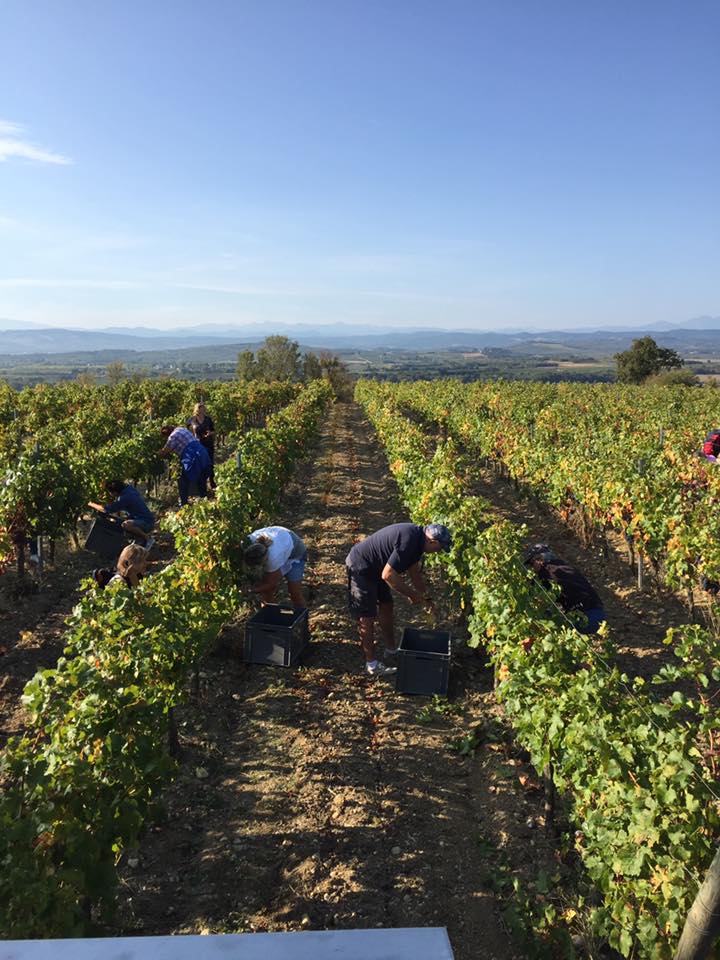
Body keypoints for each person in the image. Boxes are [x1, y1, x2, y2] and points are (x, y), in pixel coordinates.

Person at [345, 522, 453, 677]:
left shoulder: (418, 542)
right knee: (367, 617)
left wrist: (426, 598)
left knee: (387, 604)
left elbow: (414, 574)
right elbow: (388, 575)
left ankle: (391, 650)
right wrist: (411, 595)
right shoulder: (409, 540)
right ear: (433, 541)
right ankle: (372, 665)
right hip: (361, 566)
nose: (439, 552)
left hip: (377, 568)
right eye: (440, 548)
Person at [523, 543, 606, 635]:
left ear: (539, 560)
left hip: (585, 617)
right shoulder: (563, 566)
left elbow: (539, 591)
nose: (532, 568)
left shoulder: (548, 571)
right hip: (598, 613)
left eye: (531, 564)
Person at [243, 525, 307, 607]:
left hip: (295, 553)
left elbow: (271, 583)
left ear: (264, 561)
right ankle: (271, 615)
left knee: (294, 592)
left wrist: (251, 590)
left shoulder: (273, 558)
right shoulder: (248, 542)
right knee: (267, 593)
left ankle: (303, 617)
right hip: (280, 536)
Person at [88, 480, 155, 549]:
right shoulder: (129, 489)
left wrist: (91, 504)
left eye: (110, 492)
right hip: (144, 518)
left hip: (147, 522)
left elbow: (106, 510)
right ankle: (139, 540)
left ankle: (148, 539)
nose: (110, 494)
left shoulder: (124, 498)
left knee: (125, 525)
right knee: (119, 521)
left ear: (115, 492)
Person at [158, 425, 212, 506]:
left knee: (183, 481)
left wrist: (158, 453)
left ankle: (184, 504)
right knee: (202, 478)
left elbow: (165, 451)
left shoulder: (172, 437)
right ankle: (204, 501)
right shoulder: (181, 429)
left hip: (192, 456)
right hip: (202, 451)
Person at [187, 402, 216, 489]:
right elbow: (186, 429)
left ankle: (211, 481)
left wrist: (210, 433)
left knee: (210, 463)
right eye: (200, 409)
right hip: (198, 445)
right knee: (200, 465)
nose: (202, 411)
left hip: (208, 443)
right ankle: (201, 484)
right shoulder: (192, 420)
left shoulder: (208, 419)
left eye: (203, 409)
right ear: (196, 410)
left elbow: (213, 430)